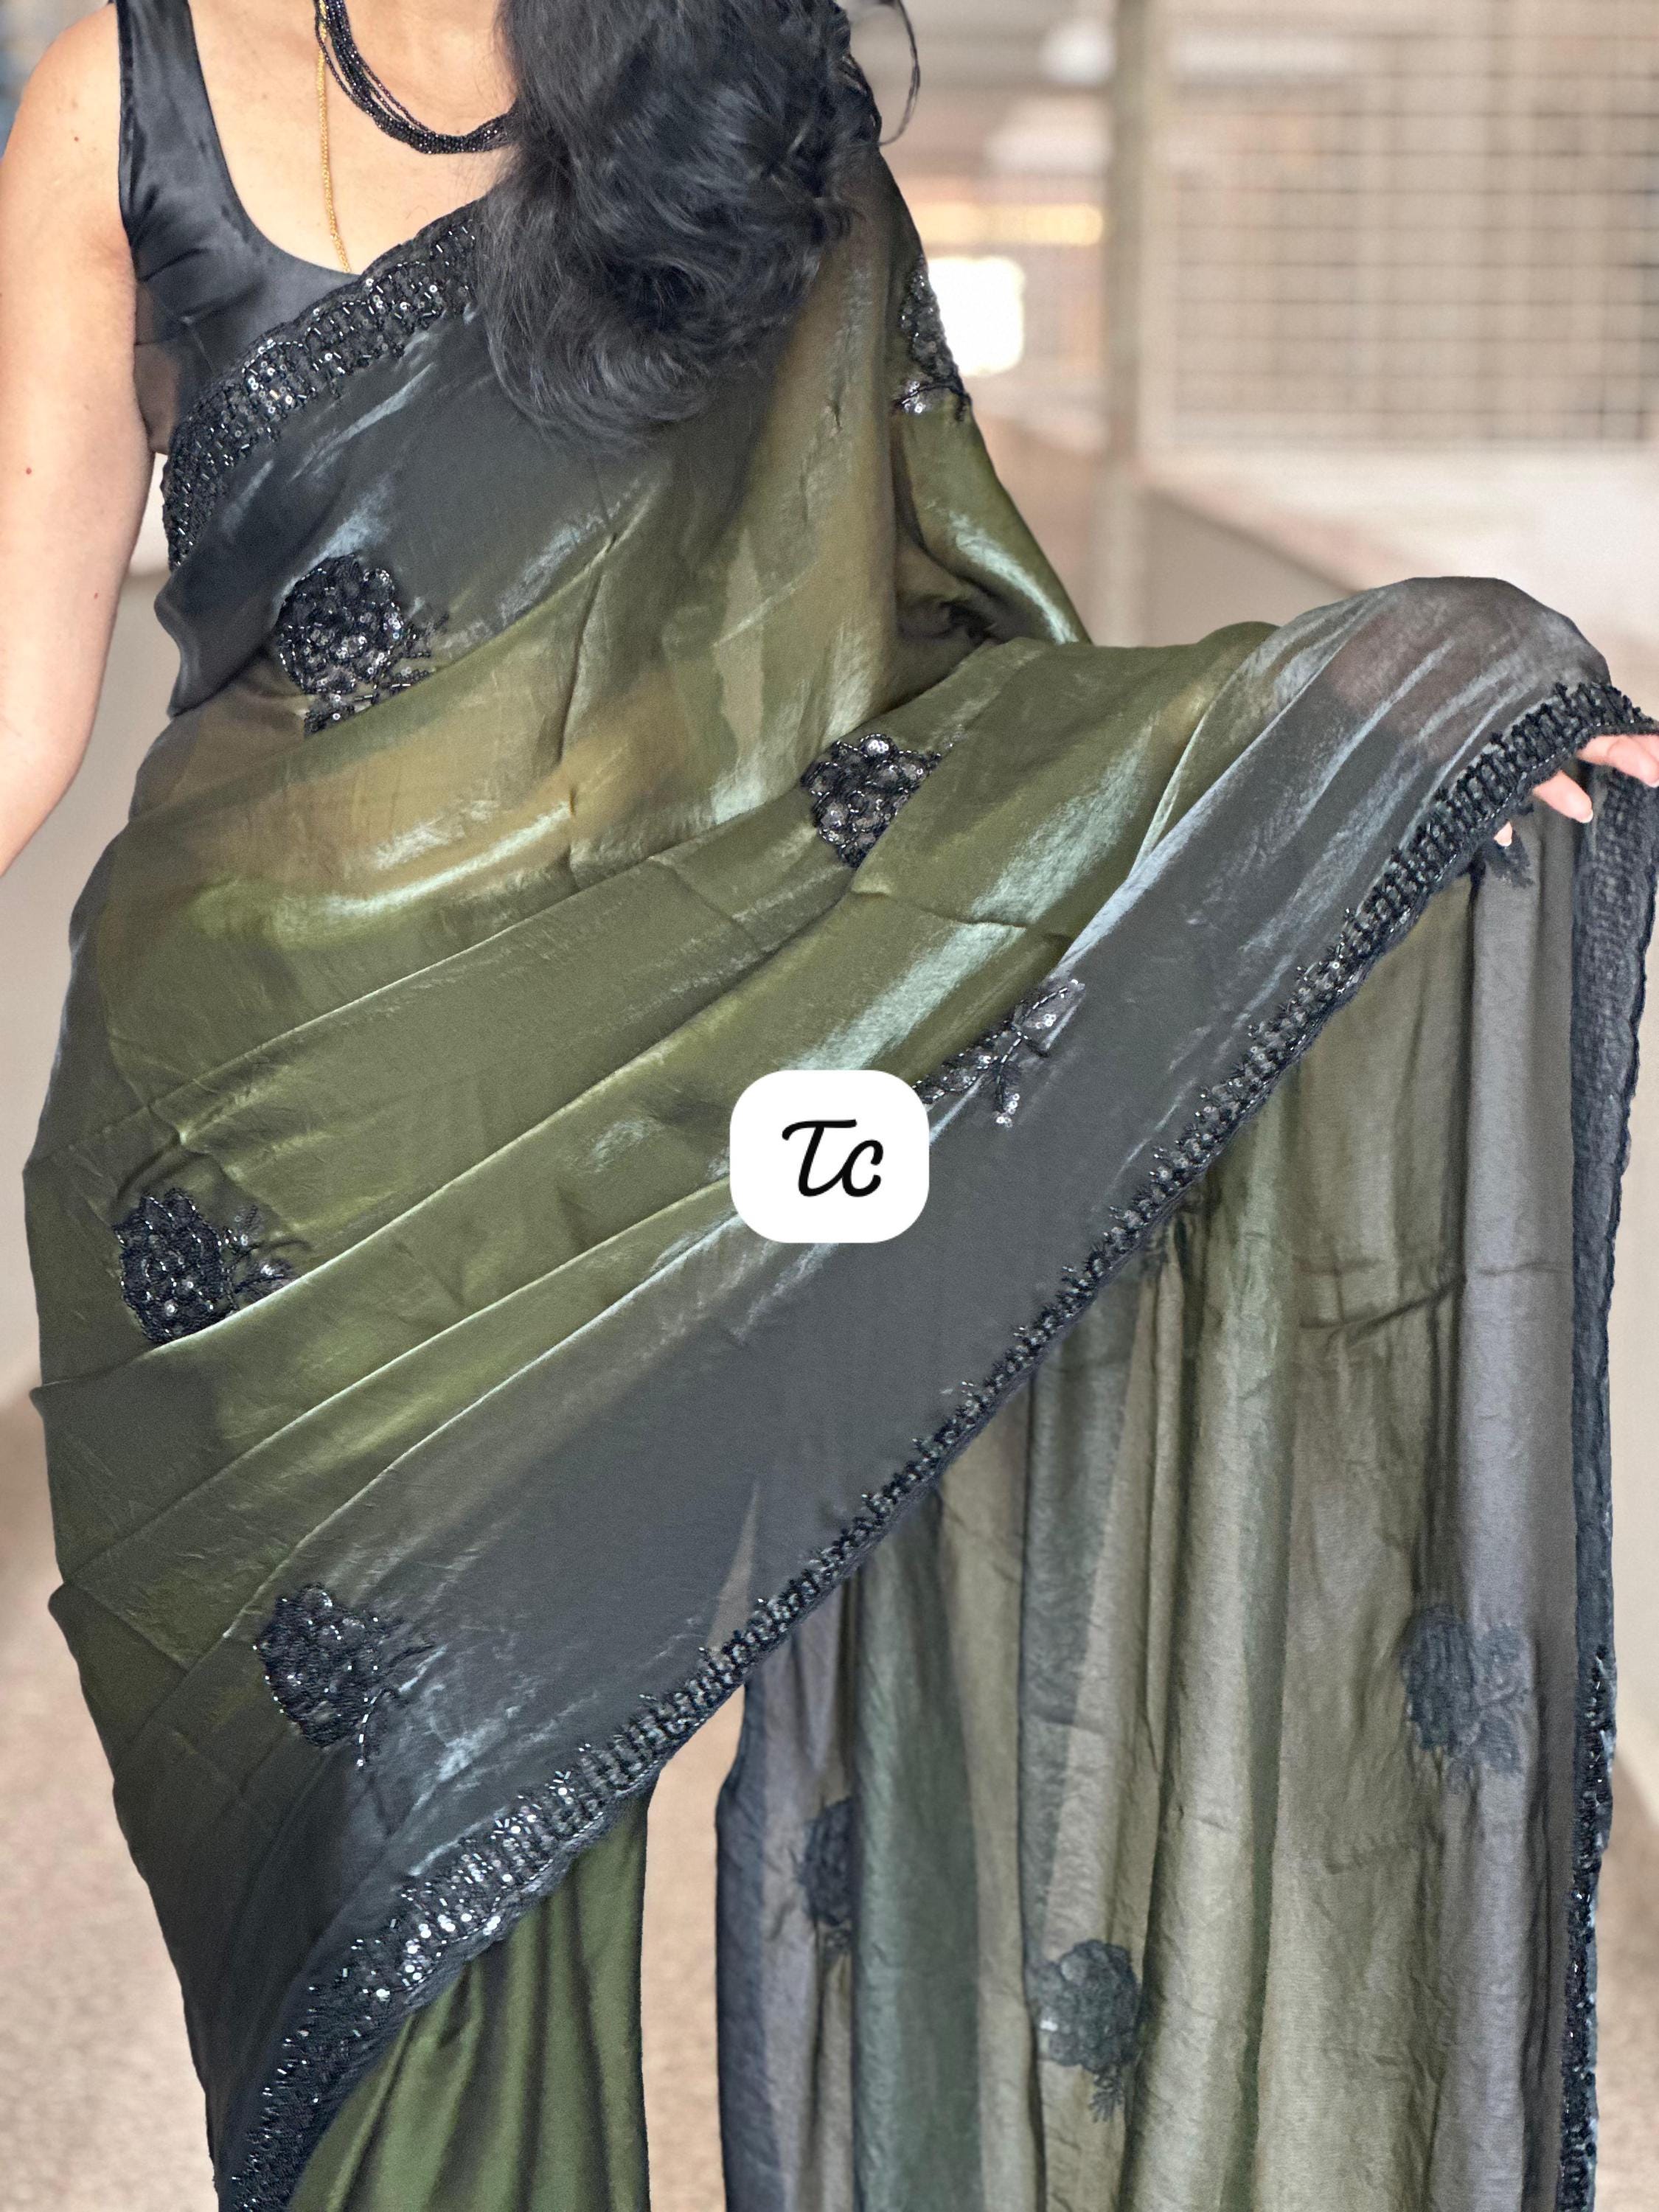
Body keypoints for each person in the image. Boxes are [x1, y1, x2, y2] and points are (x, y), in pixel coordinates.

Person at [2, 1, 1656, 2206]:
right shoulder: (124, 88)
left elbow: (922, 703)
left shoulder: (747, 108)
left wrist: (1367, 740)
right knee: (348, 1893)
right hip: (251, 1167)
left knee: (494, 1835)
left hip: (640, 1145)